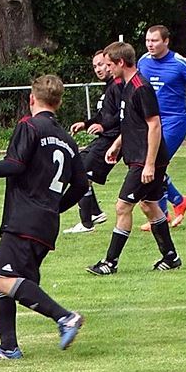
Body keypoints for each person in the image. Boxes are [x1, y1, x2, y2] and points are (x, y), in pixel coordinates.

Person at [0, 74, 87, 361]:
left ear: (32, 99)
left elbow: (14, 165)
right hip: (44, 222)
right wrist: (54, 207)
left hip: (24, 219)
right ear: (59, 102)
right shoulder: (67, 140)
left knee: (2, 278)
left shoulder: (29, 126)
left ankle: (65, 317)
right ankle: (9, 348)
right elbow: (81, 185)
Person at [87, 42, 182, 275]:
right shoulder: (126, 86)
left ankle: (110, 262)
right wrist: (117, 144)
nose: (107, 69)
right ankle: (171, 257)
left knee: (122, 206)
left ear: (121, 62)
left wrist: (149, 164)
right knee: (149, 205)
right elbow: (132, 123)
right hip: (137, 156)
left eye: (109, 64)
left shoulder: (141, 87)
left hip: (145, 159)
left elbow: (154, 125)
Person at [137, 25, 186, 231]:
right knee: (151, 164)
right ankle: (177, 202)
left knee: (154, 163)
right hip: (151, 122)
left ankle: (163, 214)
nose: (150, 45)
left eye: (154, 41)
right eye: (147, 41)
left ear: (166, 41)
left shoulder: (179, 63)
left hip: (174, 122)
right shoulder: (143, 61)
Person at [64, 50, 124, 234]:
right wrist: (85, 124)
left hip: (113, 140)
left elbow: (122, 115)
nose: (98, 69)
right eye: (95, 66)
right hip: (104, 138)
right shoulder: (109, 87)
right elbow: (103, 115)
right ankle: (95, 212)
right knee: (76, 166)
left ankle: (86, 223)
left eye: (101, 64)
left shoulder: (118, 86)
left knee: (82, 176)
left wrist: (103, 127)